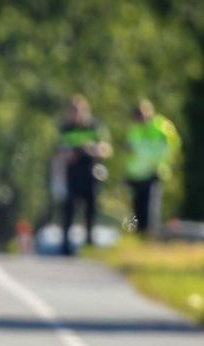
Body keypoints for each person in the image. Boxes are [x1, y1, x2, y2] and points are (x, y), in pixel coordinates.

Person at [54, 95, 112, 255]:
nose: (76, 114)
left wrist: (91, 149)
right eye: (73, 111)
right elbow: (59, 152)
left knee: (91, 211)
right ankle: (65, 246)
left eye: (79, 111)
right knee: (69, 210)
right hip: (72, 175)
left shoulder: (94, 127)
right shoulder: (66, 129)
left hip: (91, 173)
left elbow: (106, 149)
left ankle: (89, 244)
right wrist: (69, 154)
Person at [124, 99, 179, 238]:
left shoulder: (161, 128)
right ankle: (137, 236)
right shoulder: (135, 128)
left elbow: (166, 151)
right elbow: (130, 151)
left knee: (150, 209)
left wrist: (139, 152)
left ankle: (150, 237)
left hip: (153, 172)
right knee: (136, 210)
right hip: (136, 175)